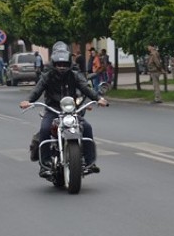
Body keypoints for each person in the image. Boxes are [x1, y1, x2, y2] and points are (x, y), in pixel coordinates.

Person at [20, 42, 108, 177]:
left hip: (71, 110)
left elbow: (85, 87)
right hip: (53, 109)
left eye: (65, 65)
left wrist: (98, 99)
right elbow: (37, 89)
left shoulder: (74, 75)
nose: (62, 67)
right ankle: (45, 163)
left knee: (87, 128)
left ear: (69, 64)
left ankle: (90, 162)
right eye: (59, 65)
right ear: (54, 64)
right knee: (44, 129)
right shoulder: (47, 75)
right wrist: (28, 101)